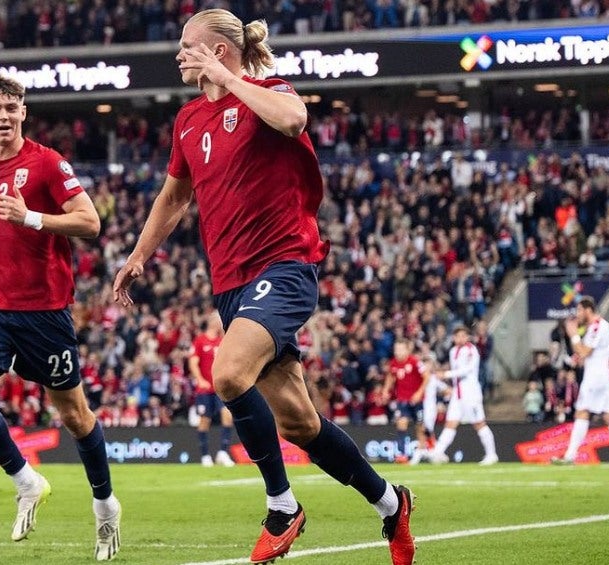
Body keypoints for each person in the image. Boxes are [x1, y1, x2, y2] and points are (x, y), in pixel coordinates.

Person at [111, 10, 414, 565]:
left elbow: (296, 119)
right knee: (300, 421)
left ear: (219, 52)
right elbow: (174, 198)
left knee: (226, 372)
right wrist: (137, 256)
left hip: (283, 266)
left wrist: (232, 81)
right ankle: (391, 503)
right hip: (230, 285)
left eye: (188, 45)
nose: (179, 54)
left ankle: (282, 506)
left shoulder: (265, 89)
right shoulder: (186, 120)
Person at [0, 73, 121, 561]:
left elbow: (90, 222)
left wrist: (31, 218)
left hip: (45, 312)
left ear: (24, 113)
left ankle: (106, 505)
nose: (4, 115)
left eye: (12, 107)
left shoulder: (47, 163)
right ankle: (27, 481)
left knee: (74, 415)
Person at [552, 298, 609, 464]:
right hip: (602, 376)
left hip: (596, 377)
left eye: (579, 310)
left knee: (582, 412)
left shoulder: (598, 326)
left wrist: (574, 335)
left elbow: (584, 351)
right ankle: (570, 456)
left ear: (588, 310)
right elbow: (584, 355)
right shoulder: (593, 327)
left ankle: (570, 456)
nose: (577, 314)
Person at [429, 326, 499, 465]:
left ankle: (492, 454)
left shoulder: (471, 350)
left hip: (471, 393)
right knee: (450, 422)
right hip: (457, 393)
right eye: (457, 336)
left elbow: (467, 370)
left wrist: (446, 374)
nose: (460, 338)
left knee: (479, 423)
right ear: (454, 338)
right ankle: (438, 452)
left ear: (467, 337)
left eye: (463, 335)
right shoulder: (453, 351)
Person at [189, 312, 235, 467]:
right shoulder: (200, 340)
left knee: (227, 415)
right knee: (205, 420)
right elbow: (193, 362)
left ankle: (222, 452)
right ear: (213, 322)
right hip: (205, 389)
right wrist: (200, 380)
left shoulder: (223, 340)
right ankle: (205, 456)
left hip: (220, 388)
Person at [382, 340, 427, 463]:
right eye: (396, 349)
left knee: (419, 426)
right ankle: (402, 454)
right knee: (401, 423)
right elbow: (391, 377)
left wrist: (419, 392)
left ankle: (421, 452)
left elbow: (426, 376)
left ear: (407, 350)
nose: (398, 352)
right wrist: (386, 390)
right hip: (403, 399)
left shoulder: (414, 361)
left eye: (400, 349)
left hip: (417, 400)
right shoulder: (394, 363)